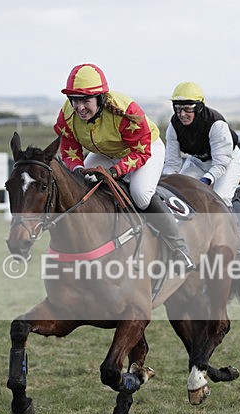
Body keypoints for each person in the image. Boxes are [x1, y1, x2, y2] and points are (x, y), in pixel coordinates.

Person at [53, 64, 194, 269]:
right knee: (82, 185)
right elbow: (70, 150)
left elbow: (141, 152)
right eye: (74, 100)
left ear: (100, 98)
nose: (79, 107)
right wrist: (77, 171)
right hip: (106, 152)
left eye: (85, 100)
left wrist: (114, 172)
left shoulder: (125, 111)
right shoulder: (67, 115)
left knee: (140, 194)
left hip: (145, 149)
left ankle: (179, 248)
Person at [162, 82, 240, 207]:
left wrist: (206, 180)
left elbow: (220, 163)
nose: (182, 114)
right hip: (197, 161)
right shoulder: (174, 125)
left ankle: (234, 218)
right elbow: (172, 163)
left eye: (188, 108)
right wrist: (167, 184)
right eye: (178, 108)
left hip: (227, 161)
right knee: (179, 193)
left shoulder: (216, 124)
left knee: (220, 199)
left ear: (199, 107)